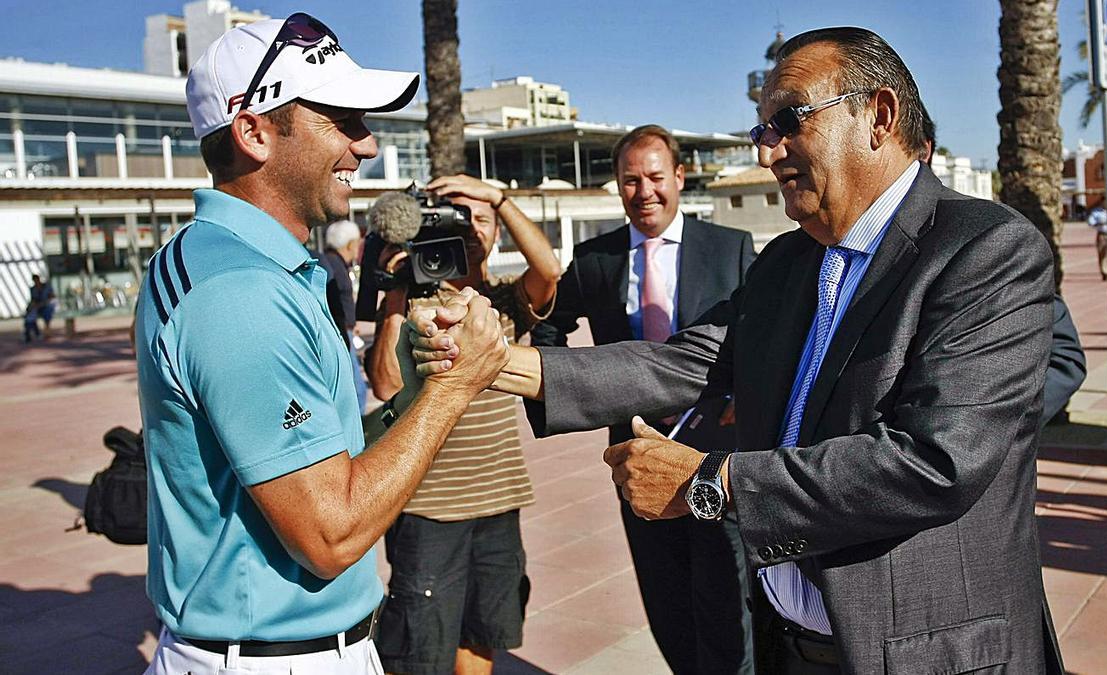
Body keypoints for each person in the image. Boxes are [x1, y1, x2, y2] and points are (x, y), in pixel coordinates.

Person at [414, 27, 1066, 673]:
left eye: (788, 120)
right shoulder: (787, 262)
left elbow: (935, 460)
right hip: (790, 647)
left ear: (880, 115)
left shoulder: (985, 250)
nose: (767, 152)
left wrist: (709, 482)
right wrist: (496, 362)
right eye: (761, 132)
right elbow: (684, 360)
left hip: (926, 656)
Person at [134, 14, 508, 674]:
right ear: (253, 132)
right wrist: (455, 389)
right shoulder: (240, 291)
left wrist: (417, 388)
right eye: (342, 119)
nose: (365, 146)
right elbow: (330, 531)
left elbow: (325, 456)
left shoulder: (233, 263)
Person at [528, 124, 756, 674]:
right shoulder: (596, 259)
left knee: (728, 601)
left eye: (656, 177)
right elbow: (548, 329)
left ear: (679, 177)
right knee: (667, 603)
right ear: (617, 185)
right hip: (634, 457)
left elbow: (759, 335)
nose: (644, 191)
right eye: (631, 180)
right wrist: (576, 399)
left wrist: (746, 398)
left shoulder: (730, 249)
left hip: (714, 456)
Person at [366, 173, 560, 675]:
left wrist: (498, 197)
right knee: (421, 643)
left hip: (498, 498)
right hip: (427, 505)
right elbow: (387, 385)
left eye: (483, 220)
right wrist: (397, 291)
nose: (473, 228)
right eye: (461, 217)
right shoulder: (414, 303)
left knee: (484, 631)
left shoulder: (505, 302)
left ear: (497, 232)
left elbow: (549, 268)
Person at [920, 114, 1086, 426]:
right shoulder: (819, 247)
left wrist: (995, 427)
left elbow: (1064, 356)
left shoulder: (986, 238)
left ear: (922, 149)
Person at [317, 219, 369, 413]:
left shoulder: (333, 262)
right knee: (357, 390)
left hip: (343, 330)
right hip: (340, 334)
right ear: (350, 244)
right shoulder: (333, 265)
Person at [1087, 198, 1107, 280]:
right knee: (1102, 253)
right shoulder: (1096, 212)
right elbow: (1090, 222)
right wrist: (1100, 223)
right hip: (1102, 234)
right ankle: (1105, 272)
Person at [23, 273, 56, 342]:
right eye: (34, 281)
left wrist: (43, 303)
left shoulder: (46, 287)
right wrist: (30, 307)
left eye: (36, 280)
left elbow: (52, 297)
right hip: (37, 307)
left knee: (47, 312)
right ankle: (30, 333)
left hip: (46, 306)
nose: (36, 282)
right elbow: (33, 300)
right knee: (29, 317)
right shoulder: (33, 289)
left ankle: (38, 333)